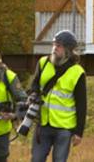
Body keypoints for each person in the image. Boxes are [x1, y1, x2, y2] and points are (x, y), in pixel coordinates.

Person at [30, 30, 87, 162]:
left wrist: (79, 132)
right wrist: (33, 94)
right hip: (43, 124)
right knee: (36, 159)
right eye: (54, 44)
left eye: (59, 46)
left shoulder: (77, 72)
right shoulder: (43, 63)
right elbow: (34, 85)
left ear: (68, 50)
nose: (55, 48)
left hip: (64, 128)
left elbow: (82, 104)